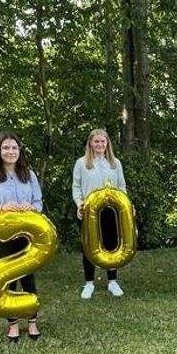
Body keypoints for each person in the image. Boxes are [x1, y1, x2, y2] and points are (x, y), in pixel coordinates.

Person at [0, 132, 44, 342]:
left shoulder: (29, 175)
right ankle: (13, 324)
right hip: (3, 238)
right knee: (7, 282)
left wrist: (32, 207)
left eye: (14, 148)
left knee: (28, 278)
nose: (10, 152)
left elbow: (39, 203)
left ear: (19, 151)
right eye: (6, 148)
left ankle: (33, 322)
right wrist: (1, 208)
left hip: (27, 237)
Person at [72, 128, 128, 299]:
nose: (100, 144)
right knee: (89, 247)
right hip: (89, 211)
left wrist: (124, 204)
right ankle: (89, 283)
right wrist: (79, 204)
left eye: (103, 141)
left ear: (107, 143)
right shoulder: (81, 163)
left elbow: (122, 186)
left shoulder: (115, 163)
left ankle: (112, 281)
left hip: (111, 212)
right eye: (96, 141)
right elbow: (76, 187)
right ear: (90, 143)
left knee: (112, 244)